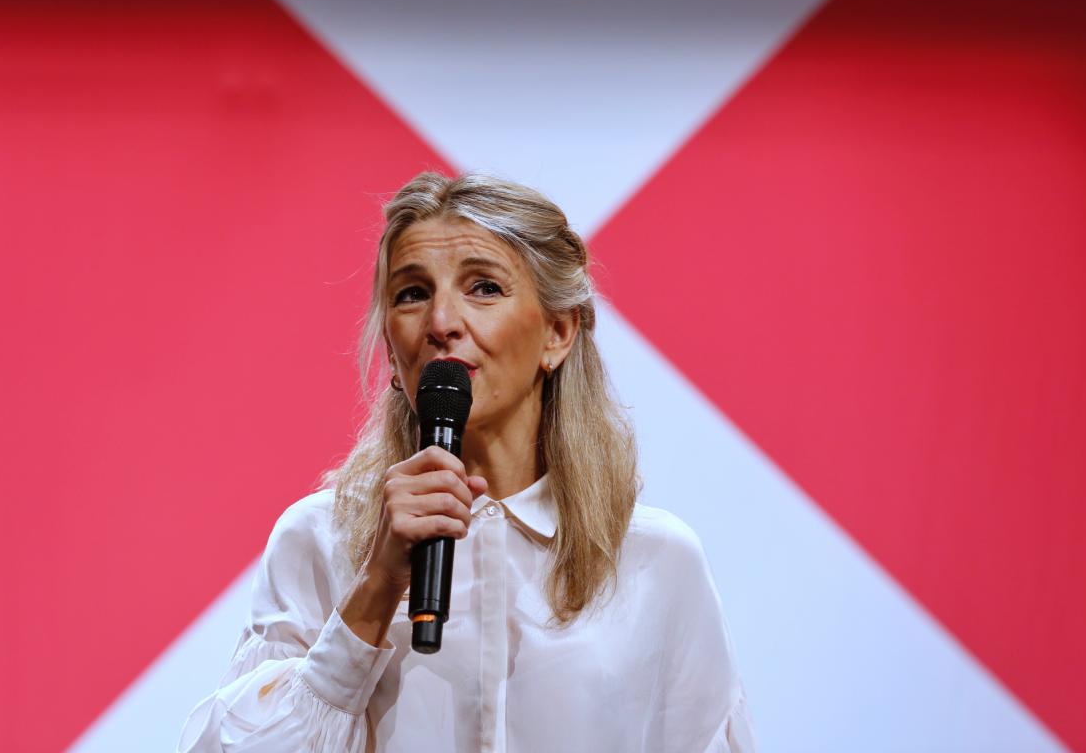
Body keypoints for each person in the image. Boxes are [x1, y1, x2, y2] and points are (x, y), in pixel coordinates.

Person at [176, 171, 756, 752]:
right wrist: (378, 583)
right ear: (391, 350)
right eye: (412, 293)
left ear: (558, 332)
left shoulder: (657, 560)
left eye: (483, 288)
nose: (441, 323)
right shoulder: (317, 540)